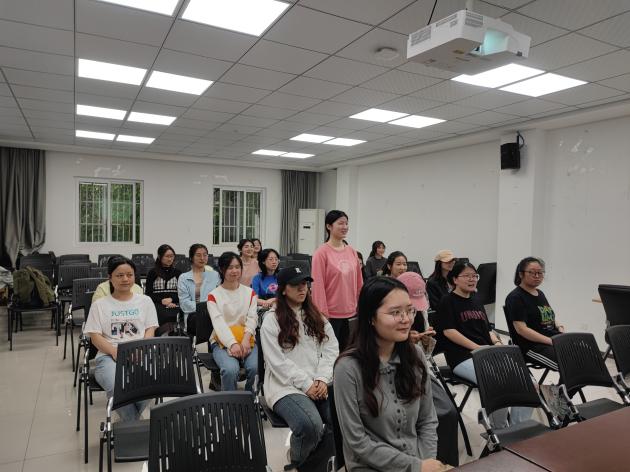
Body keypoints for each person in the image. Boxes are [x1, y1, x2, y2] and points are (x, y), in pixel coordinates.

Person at [333, 277, 443, 472]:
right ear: (371, 317)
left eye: (409, 310)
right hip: (368, 466)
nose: (406, 319)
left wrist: (425, 462)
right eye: (395, 312)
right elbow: (357, 441)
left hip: (416, 459)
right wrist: (415, 466)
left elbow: (427, 420)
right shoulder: (348, 368)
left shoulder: (415, 355)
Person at [261, 266, 339, 470]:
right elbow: (277, 362)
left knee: (341, 419)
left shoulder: (316, 316)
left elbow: (331, 348)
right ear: (283, 289)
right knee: (309, 425)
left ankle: (308, 464)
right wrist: (306, 384)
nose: (302, 288)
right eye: (296, 284)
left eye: (305, 283)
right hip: (284, 386)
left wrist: (322, 378)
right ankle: (298, 462)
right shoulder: (272, 320)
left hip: (318, 383)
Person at [438, 261, 530, 428]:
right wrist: (478, 348)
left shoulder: (476, 300)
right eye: (467, 276)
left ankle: (518, 428)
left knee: (526, 380)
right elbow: (449, 332)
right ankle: (499, 429)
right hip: (462, 357)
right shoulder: (447, 301)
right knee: (497, 382)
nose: (472, 279)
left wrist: (496, 342)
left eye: (474, 276)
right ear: (455, 279)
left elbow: (488, 329)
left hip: (487, 352)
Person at [84, 256, 159, 421]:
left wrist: (142, 349)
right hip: (108, 356)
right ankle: (134, 425)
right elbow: (95, 336)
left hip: (141, 353)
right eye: (119, 275)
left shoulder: (145, 301)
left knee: (153, 383)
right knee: (117, 387)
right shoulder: (99, 305)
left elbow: (150, 329)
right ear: (110, 278)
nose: (125, 279)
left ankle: (128, 424)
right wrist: (115, 352)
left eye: (129, 275)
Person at [398, 272, 459, 467]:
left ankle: (441, 464)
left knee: (448, 413)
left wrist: (425, 341)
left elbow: (425, 356)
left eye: (413, 309)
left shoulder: (422, 312)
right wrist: (403, 340)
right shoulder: (388, 315)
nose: (409, 316)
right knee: (411, 417)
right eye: (408, 308)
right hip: (398, 369)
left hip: (418, 366)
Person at [311, 210, 363, 351]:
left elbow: (359, 282)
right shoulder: (321, 253)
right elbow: (318, 286)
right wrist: (322, 314)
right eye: (340, 223)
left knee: (349, 352)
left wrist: (361, 305)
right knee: (331, 354)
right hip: (330, 315)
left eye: (346, 223)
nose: (345, 227)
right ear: (329, 226)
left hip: (352, 313)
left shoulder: (351, 251)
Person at [207, 251, 258, 392]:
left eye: (237, 267)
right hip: (222, 341)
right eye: (230, 267)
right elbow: (218, 323)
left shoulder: (250, 293)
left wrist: (246, 340)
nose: (234, 271)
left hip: (247, 339)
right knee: (230, 369)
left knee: (255, 368)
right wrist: (232, 343)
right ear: (222, 270)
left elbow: (252, 318)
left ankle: (249, 398)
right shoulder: (214, 295)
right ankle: (230, 402)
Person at [505, 257, 564, 370]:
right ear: (521, 274)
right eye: (532, 272)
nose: (537, 276)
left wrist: (560, 326)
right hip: (532, 347)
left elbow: (549, 314)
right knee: (568, 363)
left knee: (585, 353)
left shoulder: (540, 293)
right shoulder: (515, 297)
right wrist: (551, 341)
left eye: (540, 273)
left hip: (552, 339)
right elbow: (521, 330)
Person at [177, 243, 220, 333]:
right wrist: (205, 308)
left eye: (205, 255)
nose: (202, 258)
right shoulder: (183, 277)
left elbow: (219, 297)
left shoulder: (215, 275)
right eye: (198, 255)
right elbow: (185, 304)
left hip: (214, 315)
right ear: (191, 257)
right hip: (193, 317)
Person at [145, 244, 181, 335]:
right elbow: (148, 294)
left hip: (175, 303)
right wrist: (162, 301)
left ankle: (176, 335)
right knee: (163, 315)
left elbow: (182, 293)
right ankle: (162, 336)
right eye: (167, 256)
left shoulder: (178, 273)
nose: (170, 259)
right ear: (160, 257)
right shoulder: (152, 273)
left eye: (172, 256)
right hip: (157, 303)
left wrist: (171, 299)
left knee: (177, 314)